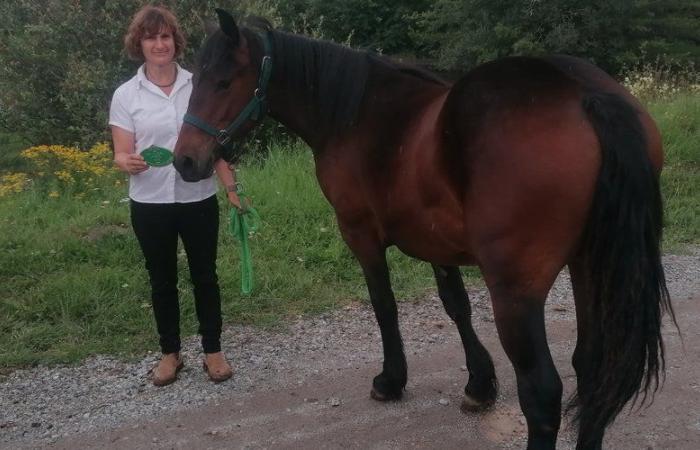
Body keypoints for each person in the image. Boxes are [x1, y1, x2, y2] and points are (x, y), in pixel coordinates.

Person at [110, 5, 239, 386]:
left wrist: (231, 188)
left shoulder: (198, 84)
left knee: (205, 276)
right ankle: (170, 354)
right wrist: (125, 161)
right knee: (161, 280)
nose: (159, 44)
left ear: (175, 42)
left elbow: (214, 142)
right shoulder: (125, 95)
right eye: (151, 37)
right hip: (149, 203)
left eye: (165, 36)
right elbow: (120, 150)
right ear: (140, 43)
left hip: (197, 197)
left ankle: (213, 351)